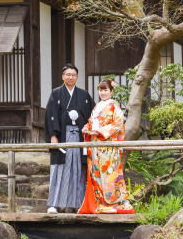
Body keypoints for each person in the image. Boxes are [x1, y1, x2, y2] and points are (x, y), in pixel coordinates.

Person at [44, 64, 95, 214]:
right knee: (59, 169)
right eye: (68, 74)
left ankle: (77, 204)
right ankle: (54, 204)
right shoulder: (56, 93)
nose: (70, 77)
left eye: (73, 75)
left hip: (79, 137)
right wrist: (53, 135)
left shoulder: (84, 95)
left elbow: (93, 114)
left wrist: (89, 128)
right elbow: (50, 115)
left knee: (77, 170)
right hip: (62, 137)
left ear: (77, 77)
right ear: (62, 76)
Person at [78, 78, 134, 214]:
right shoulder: (97, 106)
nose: (103, 93)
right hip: (96, 146)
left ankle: (115, 203)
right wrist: (87, 127)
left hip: (108, 147)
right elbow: (91, 122)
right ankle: (100, 203)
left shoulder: (115, 106)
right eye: (100, 90)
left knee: (110, 174)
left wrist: (99, 132)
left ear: (111, 91)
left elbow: (118, 124)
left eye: (105, 90)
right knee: (96, 173)